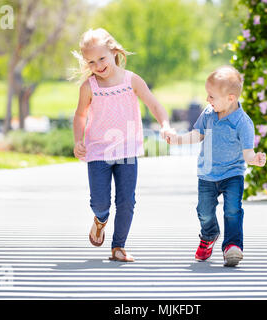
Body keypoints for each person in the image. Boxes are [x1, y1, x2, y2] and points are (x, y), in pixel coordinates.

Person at [72, 28, 175, 262]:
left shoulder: (132, 80)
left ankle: (118, 247)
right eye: (91, 62)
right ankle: (100, 219)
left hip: (127, 150)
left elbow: (155, 105)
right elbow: (79, 116)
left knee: (126, 201)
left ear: (113, 51)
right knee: (100, 202)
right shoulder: (88, 87)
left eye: (102, 58)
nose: (98, 65)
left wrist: (165, 125)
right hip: (98, 150)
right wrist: (78, 140)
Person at [167, 65, 266, 267]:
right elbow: (198, 134)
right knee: (204, 211)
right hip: (207, 173)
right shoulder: (209, 113)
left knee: (232, 210)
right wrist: (178, 139)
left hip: (232, 174)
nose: (207, 100)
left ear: (230, 98)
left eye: (211, 96)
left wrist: (254, 159)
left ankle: (232, 247)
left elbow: (247, 153)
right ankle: (209, 234)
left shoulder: (243, 123)